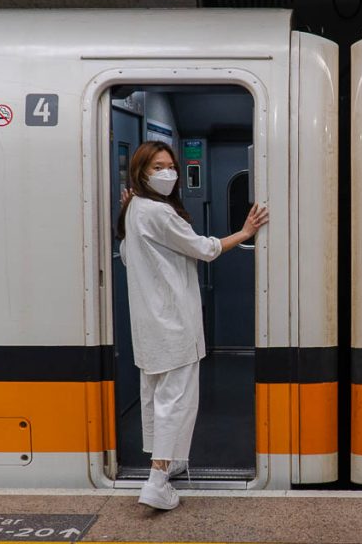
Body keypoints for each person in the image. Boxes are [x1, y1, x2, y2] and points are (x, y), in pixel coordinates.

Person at [117, 141, 268, 511]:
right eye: (157, 167)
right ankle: (157, 478)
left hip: (148, 325)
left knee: (155, 398)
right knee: (176, 402)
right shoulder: (157, 212)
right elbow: (205, 248)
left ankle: (165, 466)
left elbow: (125, 256)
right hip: (174, 324)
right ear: (141, 171)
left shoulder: (133, 209)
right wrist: (245, 232)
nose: (167, 172)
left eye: (170, 165)